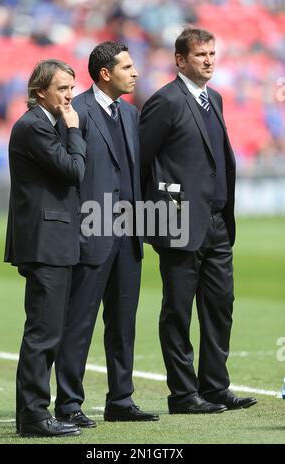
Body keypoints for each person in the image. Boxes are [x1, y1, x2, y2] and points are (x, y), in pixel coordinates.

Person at [140, 28, 257, 414]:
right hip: (178, 222)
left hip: (218, 223)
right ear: (180, 60)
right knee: (178, 310)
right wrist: (156, 214)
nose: (208, 60)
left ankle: (214, 386)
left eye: (211, 53)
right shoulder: (165, 101)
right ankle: (182, 394)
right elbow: (141, 162)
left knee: (221, 305)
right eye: (200, 55)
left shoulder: (216, 99)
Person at [54, 41, 159, 425]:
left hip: (128, 234)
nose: (135, 72)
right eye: (127, 67)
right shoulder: (74, 111)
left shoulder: (131, 114)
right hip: (91, 234)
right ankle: (68, 404)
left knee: (122, 324)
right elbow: (67, 176)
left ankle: (121, 400)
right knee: (78, 323)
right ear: (104, 73)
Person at [4, 59, 86, 437]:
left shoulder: (42, 124)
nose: (69, 96)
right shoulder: (35, 126)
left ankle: (37, 411)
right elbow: (72, 170)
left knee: (48, 329)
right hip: (45, 242)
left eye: (71, 88)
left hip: (54, 240)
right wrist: (74, 131)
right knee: (43, 332)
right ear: (41, 92)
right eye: (62, 89)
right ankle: (34, 415)